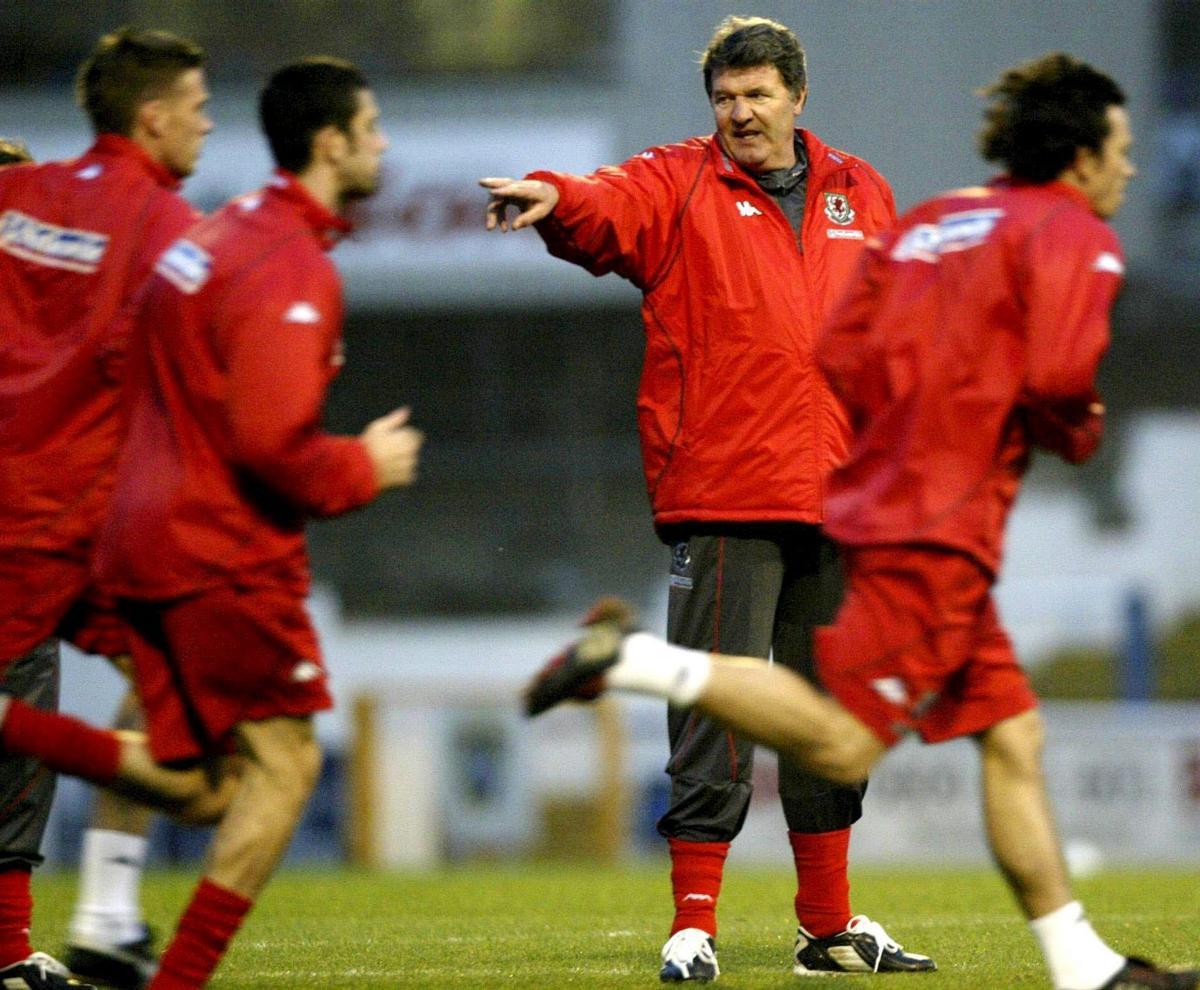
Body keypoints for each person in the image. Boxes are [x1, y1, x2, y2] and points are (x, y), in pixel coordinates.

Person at [525, 52, 1200, 990]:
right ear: (1080, 157)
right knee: (845, 735)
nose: (1131, 166)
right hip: (905, 520)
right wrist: (1068, 427)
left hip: (859, 502)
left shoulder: (923, 211)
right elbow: (1055, 387)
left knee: (981, 734)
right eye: (1120, 149)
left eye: (757, 93)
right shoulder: (1072, 234)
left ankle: (1042, 959)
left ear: (797, 96)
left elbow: (843, 342)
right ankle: (646, 688)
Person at [481, 14, 931, 981]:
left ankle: (827, 928)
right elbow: (602, 207)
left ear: (798, 97)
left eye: (758, 95)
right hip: (728, 487)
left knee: (828, 715)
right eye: (725, 98)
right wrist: (553, 196)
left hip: (842, 492)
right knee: (714, 718)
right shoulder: (678, 181)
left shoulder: (863, 190)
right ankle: (693, 925)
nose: (741, 113)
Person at [0, 57, 423, 989]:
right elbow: (270, 442)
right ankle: (132, 943)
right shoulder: (212, 238)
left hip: (110, 522)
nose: (206, 122)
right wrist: (361, 462)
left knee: (203, 777)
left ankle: (102, 909)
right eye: (195, 105)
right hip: (157, 533)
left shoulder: (145, 217)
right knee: (280, 766)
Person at [0, 28, 214, 989]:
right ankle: (94, 918)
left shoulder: (25, 196)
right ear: (154, 115)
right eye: (198, 107)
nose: (208, 125)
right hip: (53, 521)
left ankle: (66, 930)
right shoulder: (158, 224)